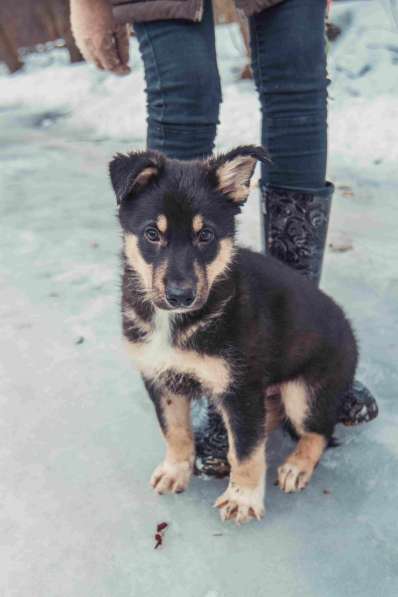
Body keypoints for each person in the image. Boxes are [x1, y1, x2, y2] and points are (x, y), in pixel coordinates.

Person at [70, 0, 378, 475]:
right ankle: (193, 365)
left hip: (278, 328)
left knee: (297, 83)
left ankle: (285, 349)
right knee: (182, 88)